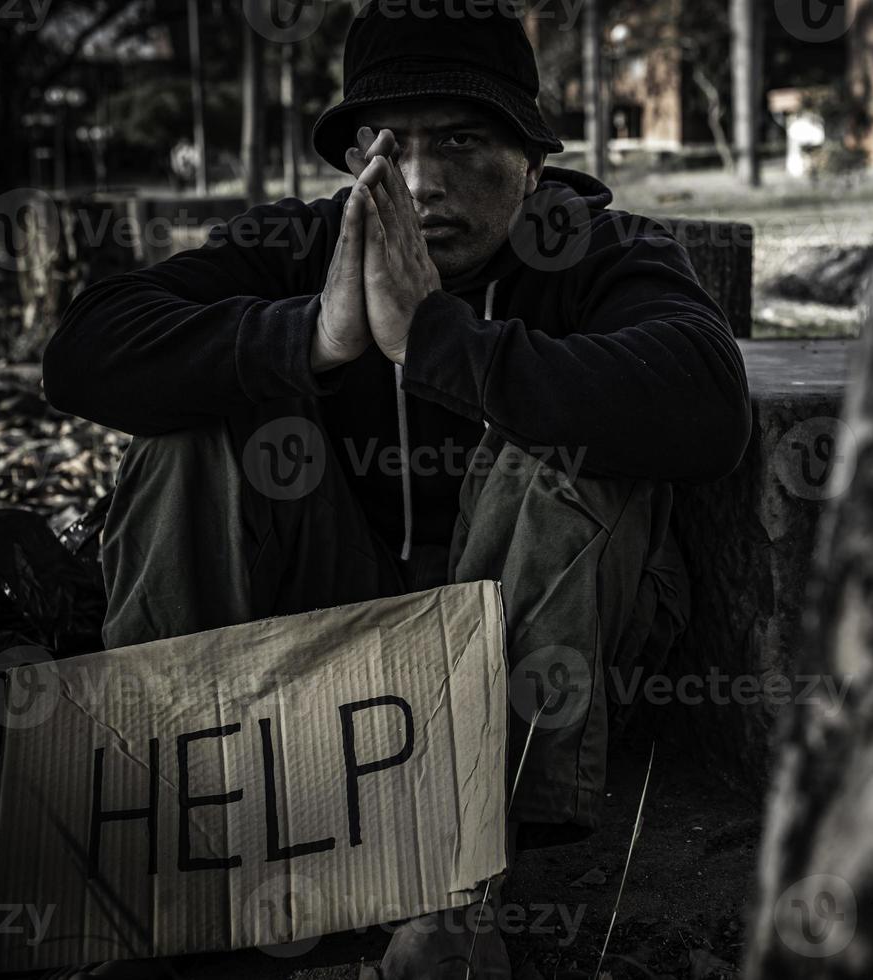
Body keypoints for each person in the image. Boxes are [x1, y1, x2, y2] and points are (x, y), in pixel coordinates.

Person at [42, 4, 750, 977]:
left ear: (533, 162)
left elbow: (708, 402)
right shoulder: (310, 242)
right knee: (196, 428)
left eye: (462, 140)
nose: (422, 180)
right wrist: (309, 338)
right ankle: (177, 851)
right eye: (391, 146)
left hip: (538, 656)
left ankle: (456, 894)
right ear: (357, 163)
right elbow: (83, 350)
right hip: (334, 654)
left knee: (553, 452)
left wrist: (437, 340)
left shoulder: (596, 254)